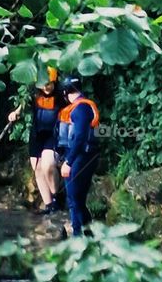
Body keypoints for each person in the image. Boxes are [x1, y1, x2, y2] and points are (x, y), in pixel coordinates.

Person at [7, 66, 62, 215]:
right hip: (37, 134)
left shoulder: (61, 95)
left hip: (53, 135)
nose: (46, 86)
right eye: (43, 83)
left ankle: (56, 197)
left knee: (48, 165)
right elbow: (23, 105)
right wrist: (16, 113)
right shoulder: (34, 94)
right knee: (38, 169)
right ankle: (49, 204)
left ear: (54, 81)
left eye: (49, 83)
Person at [54, 76, 100, 237]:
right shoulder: (82, 107)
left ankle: (77, 238)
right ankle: (89, 236)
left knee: (73, 200)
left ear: (66, 92)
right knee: (78, 200)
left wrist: (68, 162)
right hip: (84, 157)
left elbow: (79, 136)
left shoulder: (80, 109)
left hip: (80, 158)